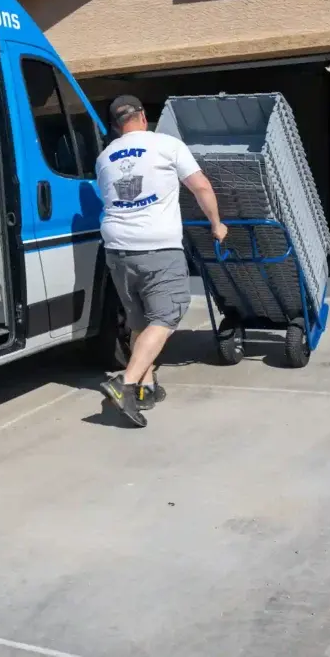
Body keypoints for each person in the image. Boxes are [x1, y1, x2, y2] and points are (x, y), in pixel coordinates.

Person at [96, 95, 227, 427]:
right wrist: (216, 223)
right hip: (157, 246)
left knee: (139, 319)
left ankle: (146, 387)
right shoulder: (167, 145)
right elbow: (200, 186)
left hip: (117, 248)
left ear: (114, 126)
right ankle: (125, 384)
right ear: (142, 116)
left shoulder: (104, 157)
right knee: (167, 317)